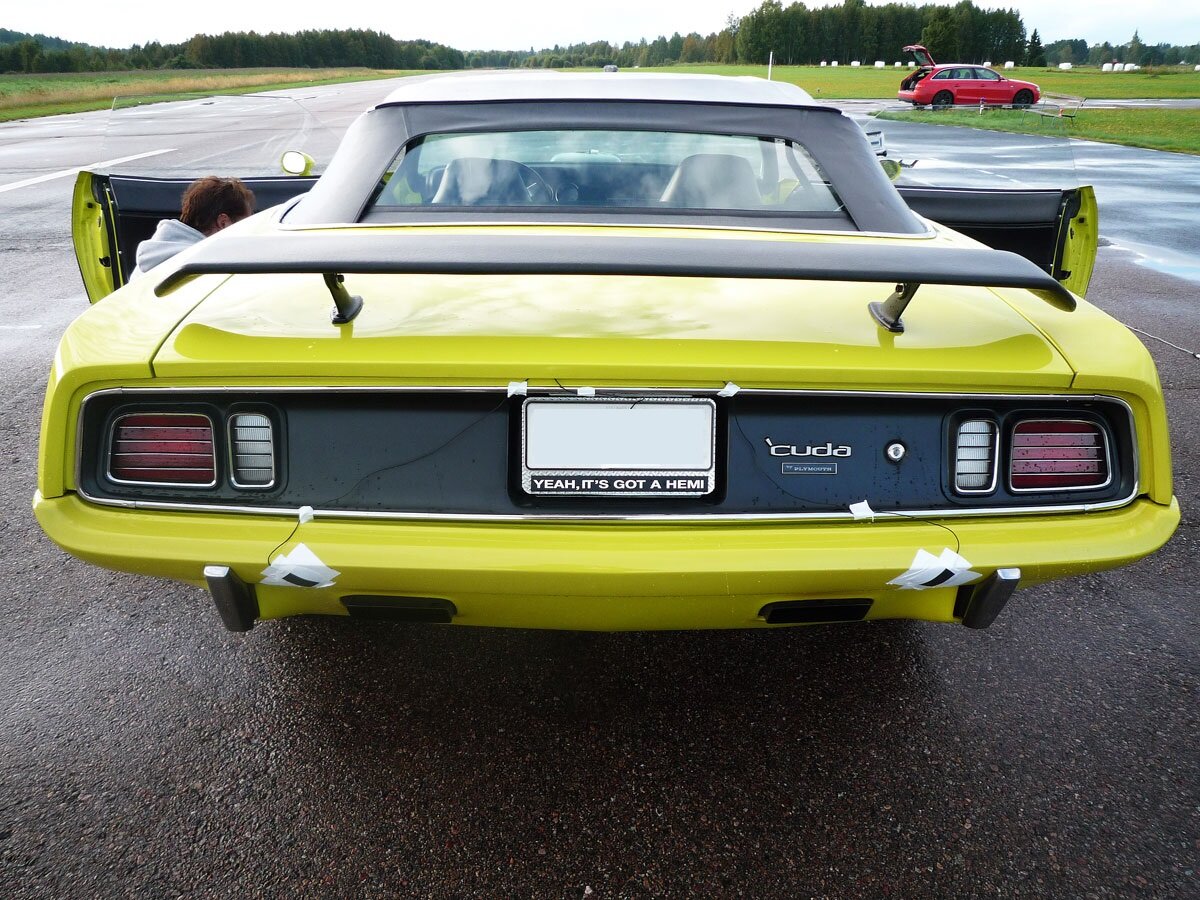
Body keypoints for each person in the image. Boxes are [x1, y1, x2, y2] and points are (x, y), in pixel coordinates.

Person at [133, 176, 255, 277]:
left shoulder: (144, 266)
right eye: (245, 224)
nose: (250, 233)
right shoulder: (209, 271)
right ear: (223, 223)